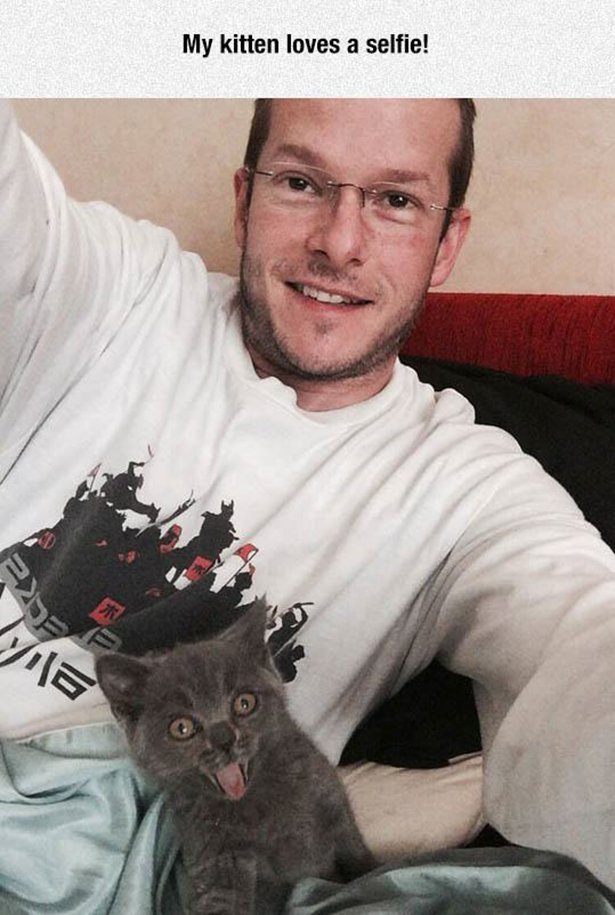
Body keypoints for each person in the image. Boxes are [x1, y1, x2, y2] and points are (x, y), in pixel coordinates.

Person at [1, 98, 615, 910]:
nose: (338, 241)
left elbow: (580, 640)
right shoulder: (113, 293)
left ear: (446, 243)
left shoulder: (466, 488)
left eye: (395, 199)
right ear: (243, 199)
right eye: (299, 182)